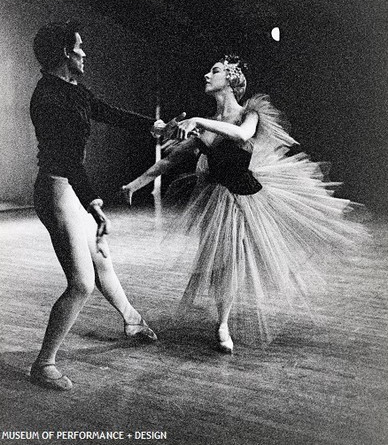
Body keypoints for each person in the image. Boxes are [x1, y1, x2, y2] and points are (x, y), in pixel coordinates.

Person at [122, 54, 365, 354]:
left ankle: (222, 323)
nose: (207, 76)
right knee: (224, 263)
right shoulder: (206, 128)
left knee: (234, 261)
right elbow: (172, 159)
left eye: (215, 71)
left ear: (232, 79)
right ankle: (222, 321)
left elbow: (242, 134)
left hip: (251, 195)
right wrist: (134, 184)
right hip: (219, 198)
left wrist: (198, 121)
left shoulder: (250, 113)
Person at [29, 20, 157, 391]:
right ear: (65, 54)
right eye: (80, 47)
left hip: (69, 189)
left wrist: (156, 127)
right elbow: (67, 161)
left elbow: (109, 112)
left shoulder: (74, 91)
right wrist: (95, 205)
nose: (85, 53)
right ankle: (44, 363)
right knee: (81, 283)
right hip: (55, 192)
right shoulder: (48, 98)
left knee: (101, 260)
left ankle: (131, 319)